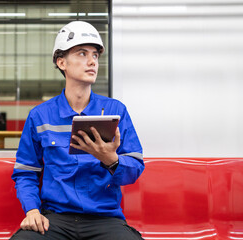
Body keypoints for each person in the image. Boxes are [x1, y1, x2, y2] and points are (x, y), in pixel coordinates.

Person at [10, 21, 144, 240]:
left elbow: (135, 168)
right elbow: (26, 172)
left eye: (95, 56)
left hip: (105, 219)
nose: (92, 61)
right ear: (61, 62)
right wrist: (32, 210)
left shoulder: (115, 111)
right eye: (82, 54)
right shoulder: (40, 116)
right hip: (55, 219)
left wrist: (111, 159)